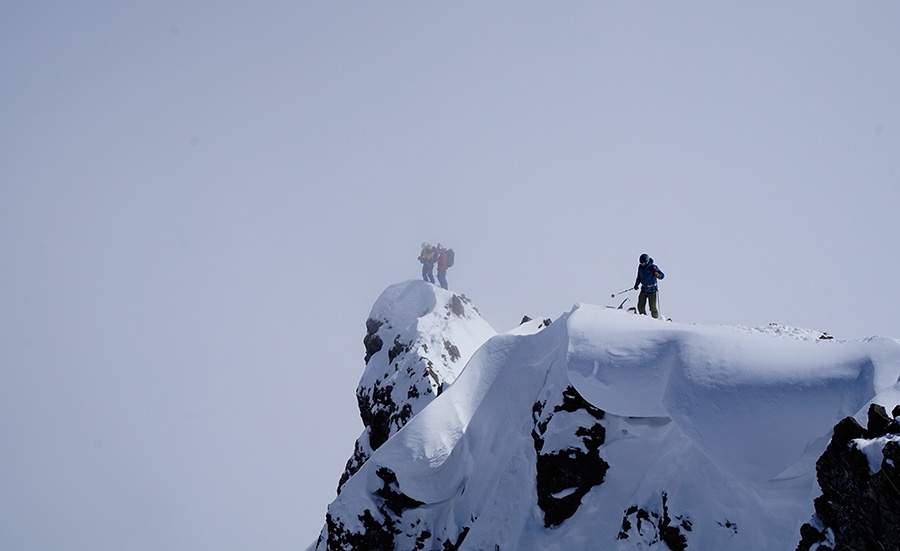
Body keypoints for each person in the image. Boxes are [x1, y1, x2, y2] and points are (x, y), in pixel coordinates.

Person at [633, 253, 665, 319]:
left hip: (652, 290)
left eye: (644, 263)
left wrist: (658, 275)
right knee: (640, 305)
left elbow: (662, 275)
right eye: (641, 263)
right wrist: (636, 284)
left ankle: (655, 320)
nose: (642, 264)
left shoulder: (653, 267)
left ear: (647, 261)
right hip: (644, 289)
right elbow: (639, 277)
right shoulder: (640, 267)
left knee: (652, 307)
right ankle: (644, 319)